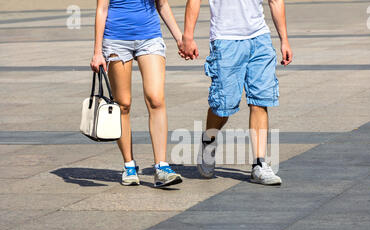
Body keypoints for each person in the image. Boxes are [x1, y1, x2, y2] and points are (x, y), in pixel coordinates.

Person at [180, 0, 293, 185]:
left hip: (260, 38)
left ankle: (259, 163)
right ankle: (209, 140)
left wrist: (284, 40)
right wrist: (188, 36)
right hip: (225, 40)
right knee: (223, 105)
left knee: (260, 100)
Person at [90, 0, 183, 188]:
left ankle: (162, 167)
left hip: (150, 37)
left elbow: (162, 5)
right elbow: (102, 9)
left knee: (156, 99)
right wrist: (97, 52)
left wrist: (181, 39)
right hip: (116, 40)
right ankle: (129, 166)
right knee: (122, 104)